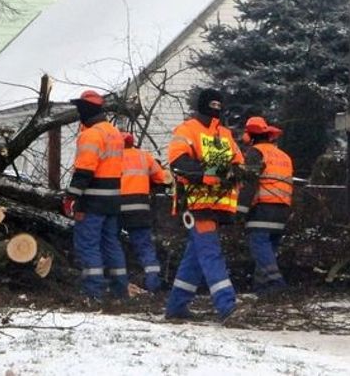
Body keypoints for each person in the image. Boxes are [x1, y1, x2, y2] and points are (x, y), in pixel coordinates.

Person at [164, 88, 245, 323]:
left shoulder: (225, 134)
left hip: (217, 205)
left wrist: (227, 174)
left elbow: (238, 165)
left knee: (196, 257)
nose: (215, 112)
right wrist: (209, 174)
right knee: (210, 253)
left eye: (218, 107)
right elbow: (178, 162)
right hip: (195, 204)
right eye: (213, 107)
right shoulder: (187, 130)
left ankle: (177, 306)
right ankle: (226, 305)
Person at [63, 89, 129, 300]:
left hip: (92, 200)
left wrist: (72, 197)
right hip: (113, 199)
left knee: (87, 244)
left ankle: (94, 292)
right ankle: (120, 290)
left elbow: (84, 171)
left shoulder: (91, 134)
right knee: (111, 243)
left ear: (86, 111)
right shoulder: (114, 133)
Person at [237, 116, 293, 292]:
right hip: (283, 207)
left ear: (250, 136)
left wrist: (240, 210)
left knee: (259, 244)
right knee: (269, 249)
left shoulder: (255, 153)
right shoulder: (283, 155)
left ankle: (277, 283)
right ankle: (261, 287)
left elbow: (249, 182)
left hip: (263, 207)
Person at [119, 132, 170, 292]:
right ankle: (153, 283)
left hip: (117, 207)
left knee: (113, 245)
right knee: (145, 246)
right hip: (140, 207)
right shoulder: (144, 156)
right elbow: (162, 178)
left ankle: (119, 284)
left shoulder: (112, 158)